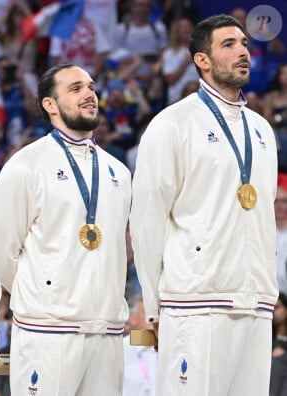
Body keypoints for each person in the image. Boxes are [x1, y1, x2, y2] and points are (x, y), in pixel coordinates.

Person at [130, 14, 278, 396]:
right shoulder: (172, 124)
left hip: (256, 302)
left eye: (244, 43)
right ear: (202, 60)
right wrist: (153, 308)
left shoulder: (262, 130)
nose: (243, 51)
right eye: (229, 44)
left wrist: (266, 292)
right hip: (195, 305)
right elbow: (147, 222)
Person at [0, 64, 131, 395]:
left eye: (92, 87)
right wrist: (45, 295)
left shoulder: (118, 172)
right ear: (50, 104)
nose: (89, 94)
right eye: (76, 88)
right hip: (48, 331)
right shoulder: (25, 166)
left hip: (107, 332)